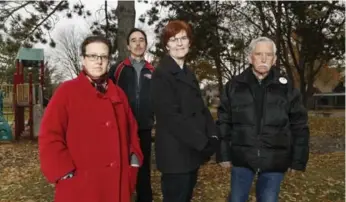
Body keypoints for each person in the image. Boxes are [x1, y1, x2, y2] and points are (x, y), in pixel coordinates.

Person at [39, 35, 143, 202]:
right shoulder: (66, 92)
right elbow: (50, 136)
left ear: (108, 61)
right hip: (80, 187)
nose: (98, 61)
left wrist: (134, 161)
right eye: (92, 56)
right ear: (83, 59)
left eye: (103, 56)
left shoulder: (119, 94)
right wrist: (64, 172)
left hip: (118, 186)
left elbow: (133, 133)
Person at [217, 36, 310, 202]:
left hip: (275, 160)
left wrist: (298, 160)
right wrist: (223, 154)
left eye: (268, 54)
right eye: (259, 54)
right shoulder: (233, 86)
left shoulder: (287, 88)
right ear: (250, 57)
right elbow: (224, 122)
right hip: (242, 158)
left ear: (274, 59)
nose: (264, 58)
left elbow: (300, 126)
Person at [151, 20, 219, 202]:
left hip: (191, 154)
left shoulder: (188, 72)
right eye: (173, 39)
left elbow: (201, 109)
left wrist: (213, 135)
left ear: (190, 42)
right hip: (175, 156)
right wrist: (203, 143)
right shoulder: (161, 74)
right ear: (167, 45)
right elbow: (171, 118)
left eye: (183, 38)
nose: (179, 43)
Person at [108, 28, 154, 202]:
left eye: (141, 40)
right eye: (133, 40)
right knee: (121, 166)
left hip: (144, 128)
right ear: (128, 45)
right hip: (122, 128)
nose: (138, 43)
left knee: (143, 169)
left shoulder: (152, 70)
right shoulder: (117, 69)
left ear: (146, 45)